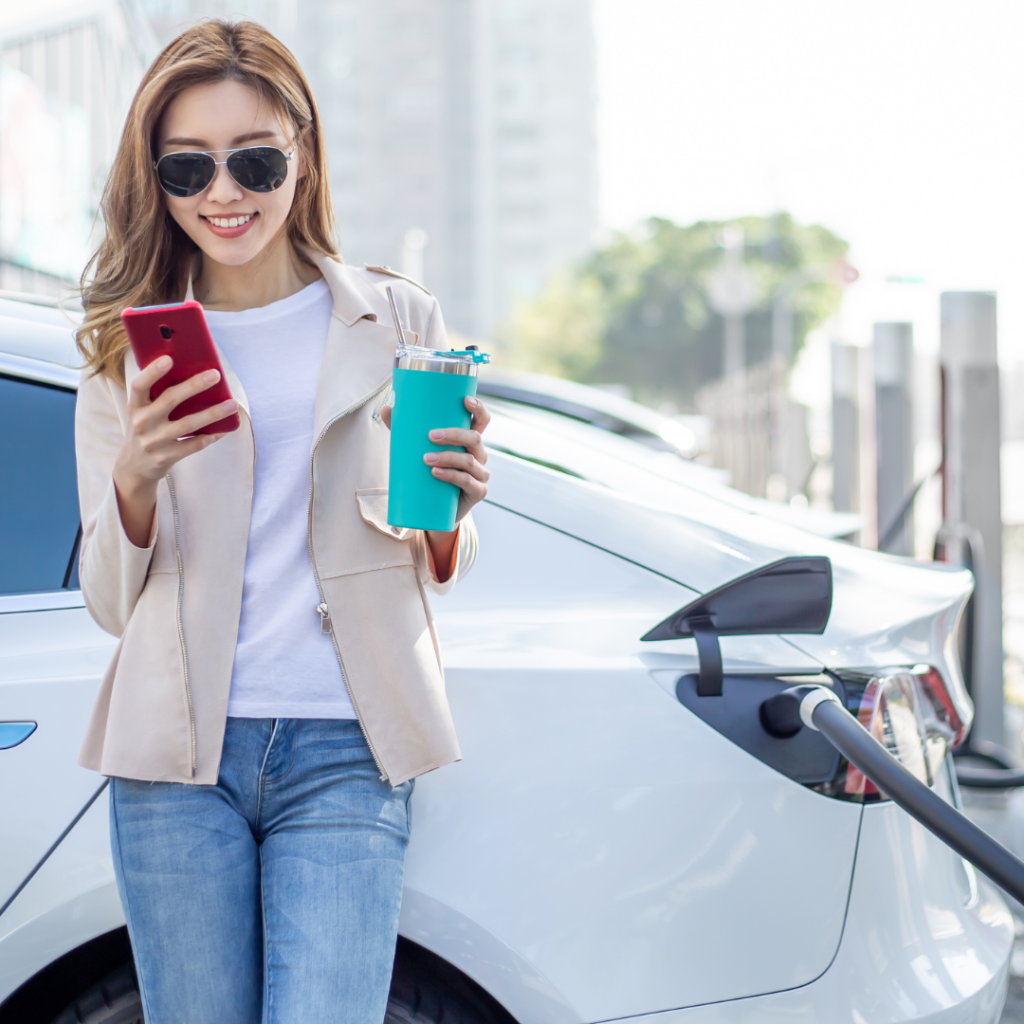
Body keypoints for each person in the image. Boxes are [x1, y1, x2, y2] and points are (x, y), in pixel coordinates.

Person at [73, 20, 489, 1024]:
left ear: (302, 158)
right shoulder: (124, 346)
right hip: (177, 758)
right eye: (188, 168)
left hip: (347, 746)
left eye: (255, 161)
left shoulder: (396, 319)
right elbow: (106, 602)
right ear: (156, 178)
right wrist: (136, 474)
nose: (225, 194)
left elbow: (438, 559)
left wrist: (450, 506)